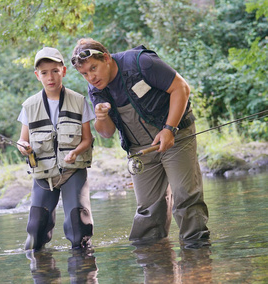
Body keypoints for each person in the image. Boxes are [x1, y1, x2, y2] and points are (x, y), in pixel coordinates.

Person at [70, 38, 210, 248]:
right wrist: (100, 117)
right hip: (141, 150)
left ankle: (197, 257)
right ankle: (154, 262)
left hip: (176, 135)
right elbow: (107, 133)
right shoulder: (95, 89)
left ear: (106, 58)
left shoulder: (141, 62)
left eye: (93, 68)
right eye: (85, 74)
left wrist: (169, 129)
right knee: (148, 212)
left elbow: (181, 88)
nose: (91, 77)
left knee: (185, 195)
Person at [17, 47, 95, 251]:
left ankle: (84, 272)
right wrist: (23, 147)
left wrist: (75, 152)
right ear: (37, 75)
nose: (50, 77)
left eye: (54, 70)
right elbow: (22, 141)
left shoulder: (79, 101)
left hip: (73, 171)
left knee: (79, 230)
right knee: (35, 234)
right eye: (44, 73)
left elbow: (87, 139)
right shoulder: (29, 106)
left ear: (64, 71)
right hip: (44, 174)